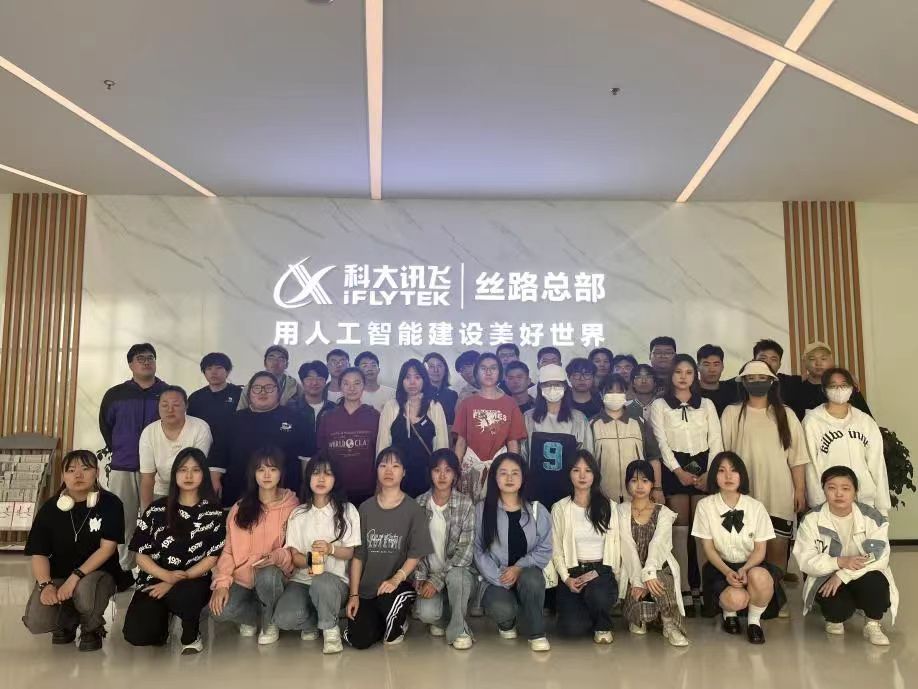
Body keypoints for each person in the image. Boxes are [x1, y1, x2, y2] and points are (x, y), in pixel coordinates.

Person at [123, 448, 225, 654]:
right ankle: (163, 624)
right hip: (157, 577)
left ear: (204, 474)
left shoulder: (214, 512)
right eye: (183, 470)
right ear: (174, 474)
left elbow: (212, 557)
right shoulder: (156, 509)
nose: (188, 475)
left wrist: (174, 580)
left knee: (186, 596)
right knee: (137, 635)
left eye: (195, 470)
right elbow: (140, 554)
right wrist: (165, 576)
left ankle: (191, 634)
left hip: (194, 578)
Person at [23, 450, 125, 652]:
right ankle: (67, 619)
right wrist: (46, 585)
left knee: (85, 592)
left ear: (97, 472)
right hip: (59, 574)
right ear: (63, 475)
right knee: (37, 621)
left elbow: (107, 550)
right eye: (70, 470)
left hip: (98, 573)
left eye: (85, 469)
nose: (78, 475)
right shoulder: (50, 508)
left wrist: (75, 577)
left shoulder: (111, 504)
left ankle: (92, 627)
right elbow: (39, 553)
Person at [721, 360, 808, 580]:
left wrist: (800, 490)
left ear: (772, 381)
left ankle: (775, 595)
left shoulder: (786, 414)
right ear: (743, 382)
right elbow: (724, 455)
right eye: (751, 379)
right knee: (744, 551)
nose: (756, 382)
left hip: (779, 493)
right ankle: (752, 594)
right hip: (743, 494)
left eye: (762, 378)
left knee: (777, 550)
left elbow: (797, 458)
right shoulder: (731, 413)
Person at [650, 354, 723, 611]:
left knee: (703, 529)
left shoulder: (707, 404)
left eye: (689, 372)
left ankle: (703, 587)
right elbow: (661, 442)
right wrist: (678, 471)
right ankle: (682, 588)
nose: (683, 377)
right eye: (678, 372)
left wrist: (711, 473)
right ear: (671, 375)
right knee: (679, 530)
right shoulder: (660, 405)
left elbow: (716, 440)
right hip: (674, 468)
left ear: (695, 376)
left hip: (704, 466)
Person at [794, 466, 896, 645]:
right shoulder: (811, 520)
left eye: (846, 488)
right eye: (832, 488)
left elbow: (878, 556)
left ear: (855, 491)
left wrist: (842, 574)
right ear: (823, 490)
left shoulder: (872, 517)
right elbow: (805, 560)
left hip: (863, 574)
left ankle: (872, 623)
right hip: (827, 575)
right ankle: (834, 618)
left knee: (876, 583)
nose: (839, 494)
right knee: (837, 608)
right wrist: (839, 562)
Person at [345, 447, 434, 649]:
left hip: (399, 585)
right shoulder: (365, 508)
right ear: (376, 470)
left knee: (388, 601)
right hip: (368, 589)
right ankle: (384, 622)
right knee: (359, 639)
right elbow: (359, 556)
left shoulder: (413, 509)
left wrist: (396, 579)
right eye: (383, 465)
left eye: (395, 466)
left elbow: (416, 553)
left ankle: (398, 621)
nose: (388, 470)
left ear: (404, 472)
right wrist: (354, 595)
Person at [209, 447, 299, 645]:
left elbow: (295, 549)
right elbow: (228, 550)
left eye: (272, 469)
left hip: (275, 576)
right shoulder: (239, 508)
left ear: (281, 473)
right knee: (218, 611)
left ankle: (270, 622)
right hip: (242, 579)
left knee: (268, 576)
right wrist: (222, 584)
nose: (266, 475)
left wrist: (276, 556)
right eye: (260, 469)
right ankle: (254, 616)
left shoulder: (292, 506)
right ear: (253, 474)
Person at [274, 454, 360, 654]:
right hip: (303, 581)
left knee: (322, 581)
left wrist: (331, 549)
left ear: (336, 479)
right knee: (283, 619)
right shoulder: (298, 513)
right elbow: (295, 557)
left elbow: (350, 552)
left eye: (328, 474)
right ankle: (316, 621)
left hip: (334, 582)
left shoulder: (348, 510)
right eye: (316, 473)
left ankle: (331, 630)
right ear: (308, 478)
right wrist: (311, 560)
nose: (321, 479)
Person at [692, 452, 782, 644]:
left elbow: (760, 550)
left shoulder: (756, 507)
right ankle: (729, 612)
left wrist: (745, 569)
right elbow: (708, 548)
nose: (728, 476)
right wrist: (727, 572)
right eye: (721, 471)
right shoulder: (704, 506)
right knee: (736, 599)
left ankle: (754, 622)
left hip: (751, 564)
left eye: (734, 471)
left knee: (760, 577)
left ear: (742, 475)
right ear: (714, 475)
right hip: (720, 567)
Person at [99, 342, 167, 572]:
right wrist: (121, 447)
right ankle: (124, 570)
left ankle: (155, 571)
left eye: (150, 358)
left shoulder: (167, 393)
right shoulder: (115, 394)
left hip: (159, 469)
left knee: (158, 521)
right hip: (123, 466)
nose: (146, 362)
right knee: (124, 521)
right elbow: (106, 426)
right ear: (130, 364)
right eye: (140, 358)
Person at [474, 452, 552, 652]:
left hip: (527, 574)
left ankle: (537, 633)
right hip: (495, 578)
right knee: (502, 608)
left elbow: (545, 548)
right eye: (503, 473)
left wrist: (518, 568)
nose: (509, 478)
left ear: (523, 477)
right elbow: (478, 550)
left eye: (515, 473)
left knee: (532, 579)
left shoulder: (537, 510)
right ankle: (507, 622)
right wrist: (501, 577)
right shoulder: (482, 509)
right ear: (494, 477)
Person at [209, 371, 316, 508]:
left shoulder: (296, 419)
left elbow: (307, 458)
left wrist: (306, 490)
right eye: (257, 388)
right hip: (239, 493)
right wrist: (214, 481)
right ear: (249, 393)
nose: (263, 392)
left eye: (269, 387)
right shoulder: (233, 420)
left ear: (278, 392)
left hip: (285, 495)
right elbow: (218, 455)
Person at [551, 450, 620, 643]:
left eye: (588, 470)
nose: (582, 476)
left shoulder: (609, 506)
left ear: (595, 475)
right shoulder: (560, 508)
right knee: (571, 630)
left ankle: (603, 624)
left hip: (601, 571)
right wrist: (566, 579)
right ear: (569, 474)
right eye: (576, 470)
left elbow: (617, 546)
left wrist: (617, 576)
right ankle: (585, 612)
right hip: (573, 571)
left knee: (597, 594)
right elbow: (556, 549)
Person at [618, 460, 688, 646]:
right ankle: (639, 618)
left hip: (658, 565)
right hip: (631, 568)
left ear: (652, 484)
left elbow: (658, 543)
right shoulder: (620, 511)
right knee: (638, 620)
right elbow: (627, 546)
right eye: (634, 481)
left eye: (645, 480)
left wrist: (649, 573)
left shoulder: (663, 512)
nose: (640, 486)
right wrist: (638, 579)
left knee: (659, 582)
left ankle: (669, 623)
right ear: (627, 484)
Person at [802, 368, 890, 514]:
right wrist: (817, 503)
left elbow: (877, 464)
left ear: (852, 388)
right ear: (824, 389)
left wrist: (882, 506)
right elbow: (811, 465)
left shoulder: (865, 421)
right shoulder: (812, 422)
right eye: (833, 385)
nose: (839, 389)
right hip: (829, 501)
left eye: (844, 385)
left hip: (865, 500)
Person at [414, 449, 477, 650]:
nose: (442, 476)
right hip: (430, 574)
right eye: (437, 470)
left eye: (448, 470)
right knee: (426, 614)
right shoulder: (419, 503)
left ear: (455, 474)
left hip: (458, 573)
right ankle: (449, 618)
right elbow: (415, 548)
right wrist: (420, 577)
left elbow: (465, 553)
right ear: (430, 473)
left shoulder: (465, 504)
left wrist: (437, 580)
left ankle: (460, 630)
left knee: (457, 576)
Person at [454, 354, 527, 503]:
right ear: (476, 373)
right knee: (470, 509)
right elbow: (461, 442)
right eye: (483, 368)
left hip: (500, 468)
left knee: (498, 507)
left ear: (500, 373)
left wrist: (513, 470)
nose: (488, 372)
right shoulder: (467, 403)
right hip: (471, 468)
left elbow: (513, 443)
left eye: (493, 368)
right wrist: (455, 470)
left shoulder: (510, 404)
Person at [522, 364, 593, 509]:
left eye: (557, 384)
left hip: (569, 489)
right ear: (540, 388)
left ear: (565, 387)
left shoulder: (578, 419)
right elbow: (523, 453)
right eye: (547, 385)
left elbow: (587, 455)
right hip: (535, 489)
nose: (552, 388)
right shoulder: (528, 418)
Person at [377, 359, 450, 497]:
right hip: (396, 478)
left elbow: (441, 447)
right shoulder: (391, 406)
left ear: (424, 380)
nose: (412, 382)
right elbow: (383, 445)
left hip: (426, 478)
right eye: (407, 377)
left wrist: (440, 476)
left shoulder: (434, 406)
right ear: (401, 381)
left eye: (417, 377)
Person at [139, 385, 212, 509]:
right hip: (161, 490)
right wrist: (146, 511)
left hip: (193, 489)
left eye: (176, 405)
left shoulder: (200, 428)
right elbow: (147, 477)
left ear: (186, 406)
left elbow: (196, 470)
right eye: (164, 405)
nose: (170, 410)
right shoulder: (149, 432)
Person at [316, 368, 381, 506]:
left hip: (367, 489)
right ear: (340, 387)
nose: (352, 388)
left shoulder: (374, 416)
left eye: (357, 383)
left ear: (364, 386)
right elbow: (321, 453)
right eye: (346, 383)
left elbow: (380, 452)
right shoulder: (328, 417)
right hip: (335, 488)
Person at [590, 374, 656, 504]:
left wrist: (657, 488)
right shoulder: (592, 424)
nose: (615, 395)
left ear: (625, 393)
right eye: (610, 391)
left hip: (638, 495)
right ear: (601, 394)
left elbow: (654, 458)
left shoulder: (639, 422)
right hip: (603, 496)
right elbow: (587, 463)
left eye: (619, 391)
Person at [789, 342, 872, 420]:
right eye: (812, 359)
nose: (818, 363)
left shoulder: (845, 387)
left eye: (823, 358)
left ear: (831, 361)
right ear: (804, 362)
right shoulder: (794, 387)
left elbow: (866, 419)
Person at [187, 352, 243, 439]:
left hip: (234, 442)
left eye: (219, 368)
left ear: (228, 371)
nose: (213, 372)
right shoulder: (195, 397)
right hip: (204, 443)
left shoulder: (239, 394)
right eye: (209, 368)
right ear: (204, 372)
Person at [237, 345, 302, 410]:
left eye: (281, 359)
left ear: (287, 365)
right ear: (265, 363)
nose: (275, 362)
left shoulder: (295, 386)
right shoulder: (253, 384)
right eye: (271, 358)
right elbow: (241, 410)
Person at [289, 360, 336, 431]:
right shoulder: (291, 408)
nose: (314, 383)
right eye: (309, 379)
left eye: (319, 379)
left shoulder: (333, 408)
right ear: (302, 382)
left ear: (325, 382)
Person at [696, 344, 739, 417]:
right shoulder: (690, 392)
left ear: (722, 366)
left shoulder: (733, 390)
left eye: (716, 364)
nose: (712, 370)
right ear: (698, 367)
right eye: (706, 365)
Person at [424, 352, 459, 426]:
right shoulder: (419, 394)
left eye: (439, 366)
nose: (436, 370)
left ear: (445, 369)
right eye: (431, 366)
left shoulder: (453, 395)